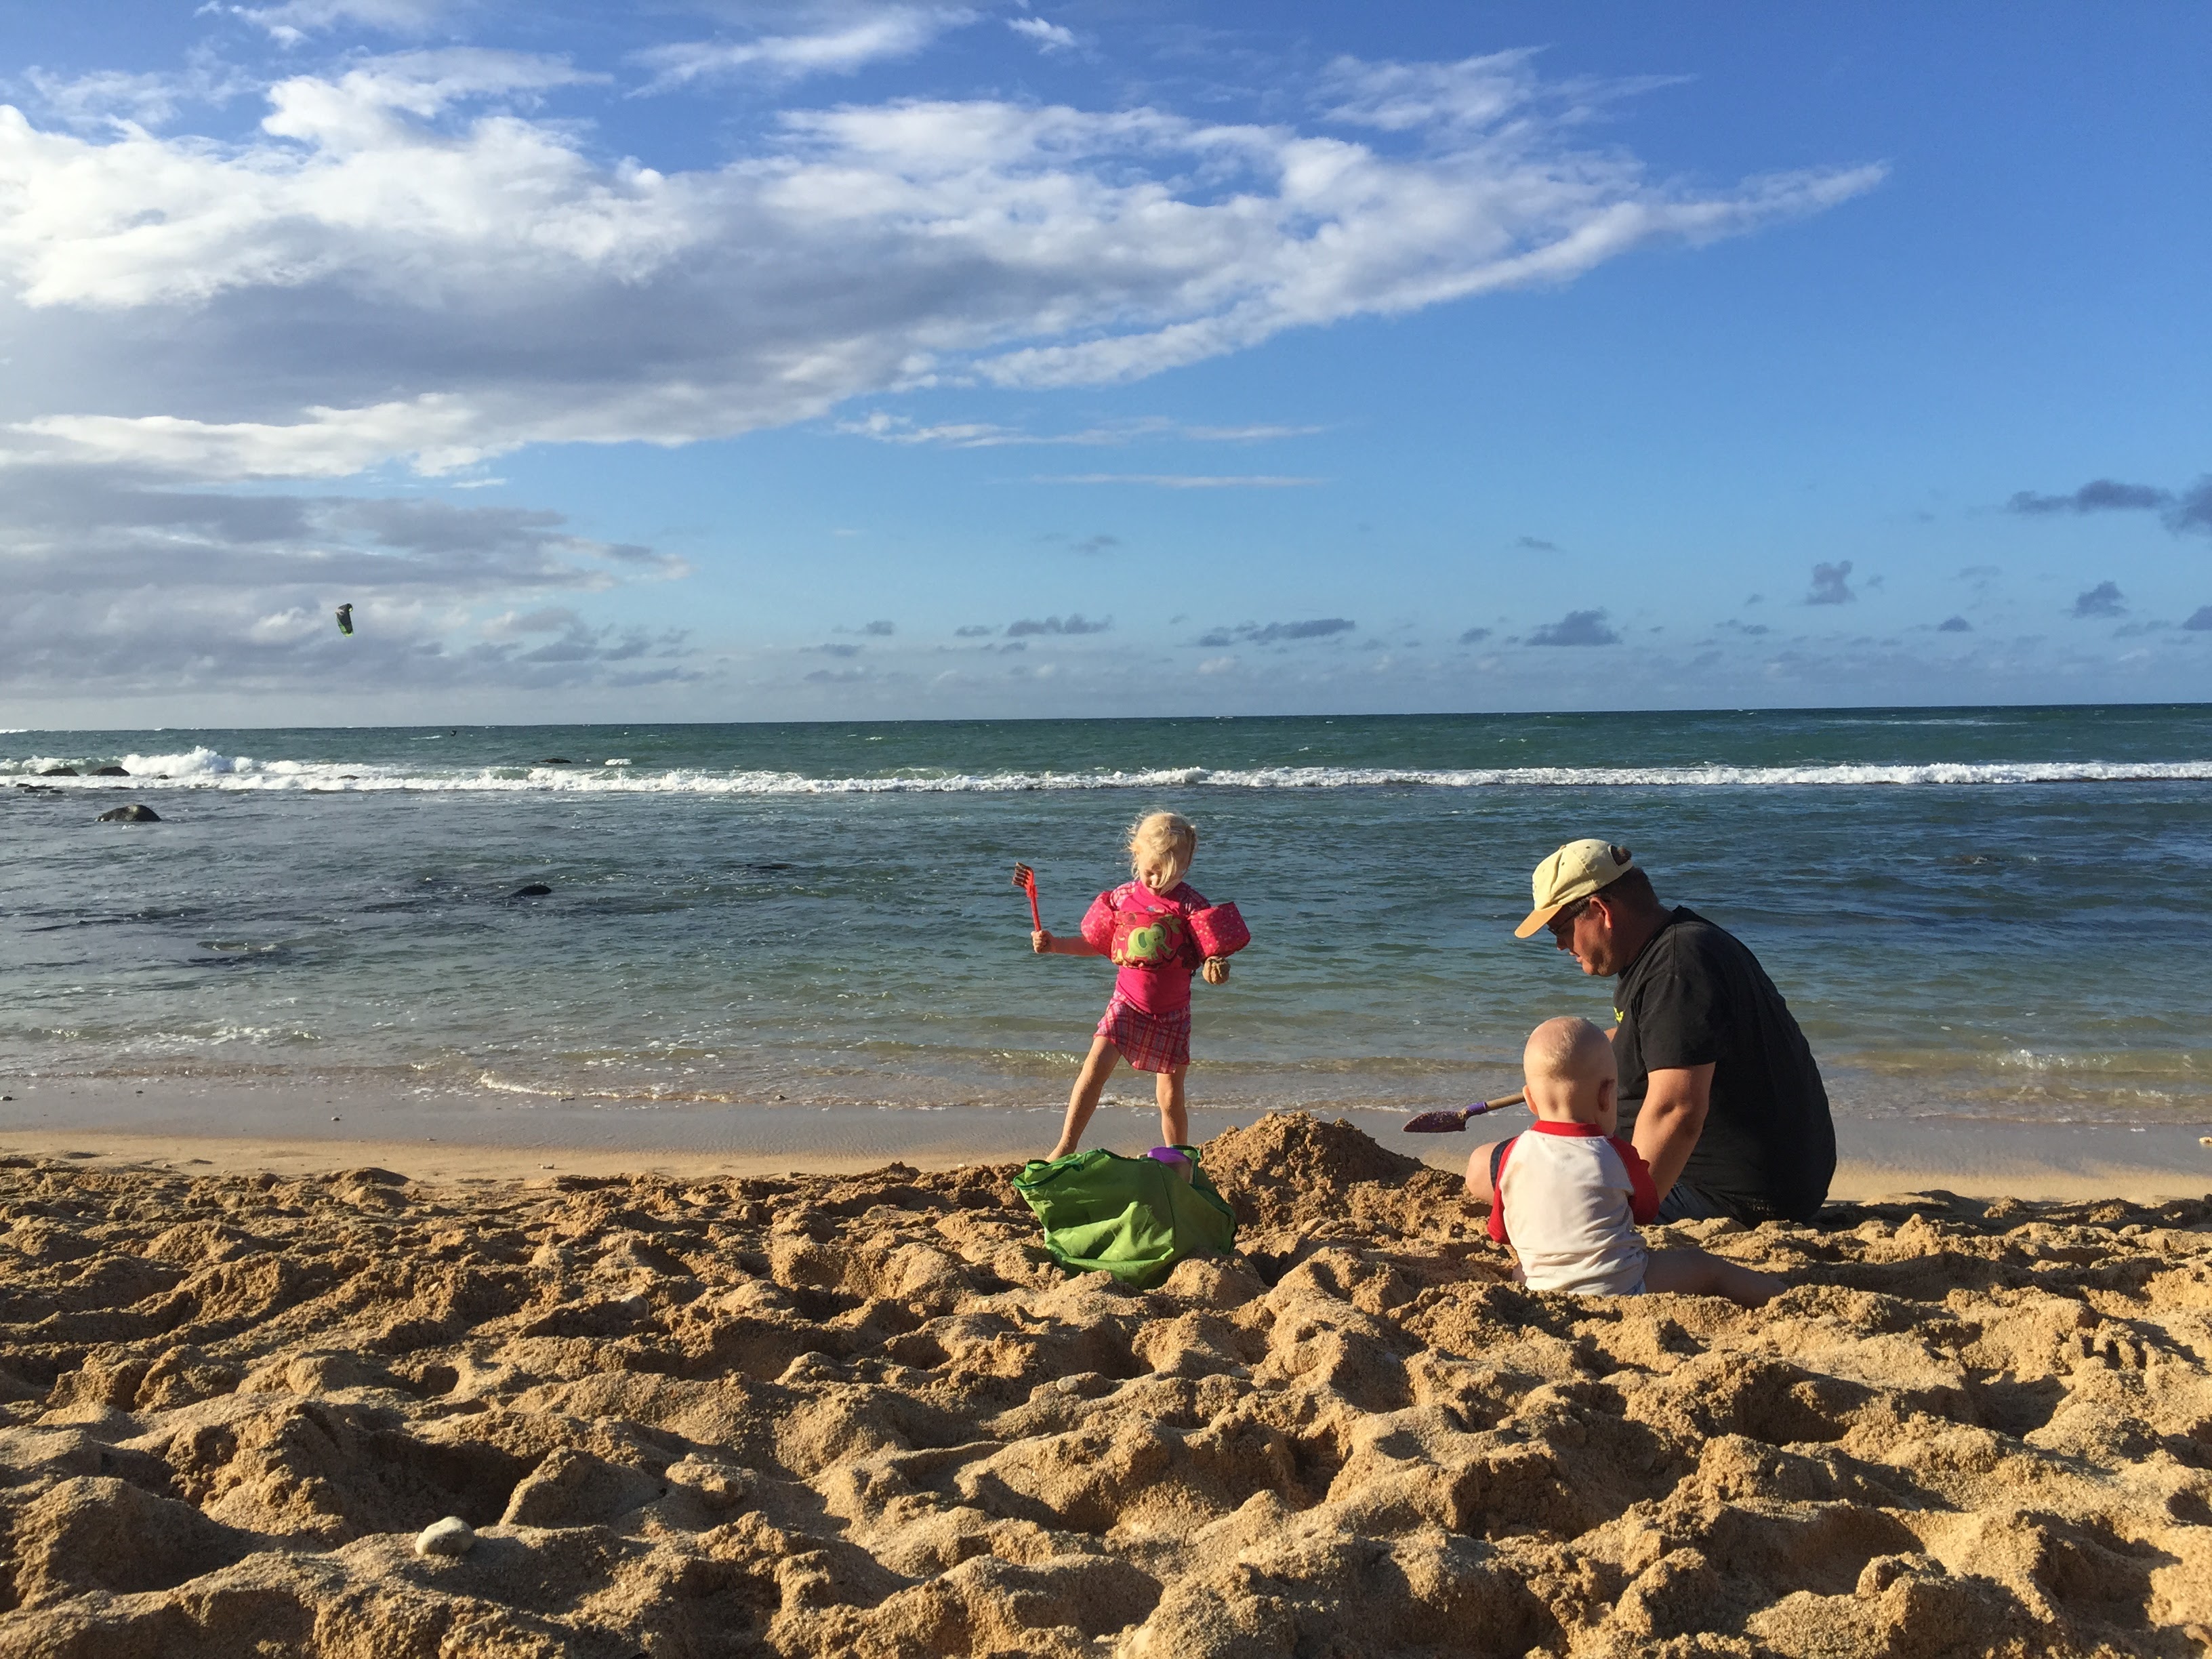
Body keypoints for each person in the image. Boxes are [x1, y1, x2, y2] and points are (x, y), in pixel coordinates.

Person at [1514, 839, 1835, 1225]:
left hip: (1731, 1192)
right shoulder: (1674, 946)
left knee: (1490, 1170)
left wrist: (1625, 1217)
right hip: (1758, 1181)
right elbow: (1651, 1036)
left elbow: (1677, 1111)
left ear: (1600, 911)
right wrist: (1565, 1064)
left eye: (1558, 928)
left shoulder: (1676, 969)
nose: (1560, 945)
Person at [1467, 1017, 1780, 1306]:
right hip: (1621, 1285)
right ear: (1606, 1095)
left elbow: (1500, 1231)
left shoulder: (1511, 1155)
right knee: (1708, 1268)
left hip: (1541, 1286)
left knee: (1520, 1270)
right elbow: (1645, 1210)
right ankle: (1782, 1296)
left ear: (1531, 1100)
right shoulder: (1616, 1153)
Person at [1031, 811, 1232, 1160]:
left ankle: (1178, 1161)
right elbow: (1098, 945)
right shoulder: (1122, 899)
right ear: (1136, 855)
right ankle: (1065, 1145)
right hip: (1126, 1003)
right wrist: (1056, 945)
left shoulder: (1191, 906)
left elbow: (1210, 956)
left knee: (1169, 1096)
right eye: (1150, 870)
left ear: (1186, 866)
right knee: (1092, 1071)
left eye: (1170, 874)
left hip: (1171, 1013)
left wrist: (1216, 969)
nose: (1157, 880)